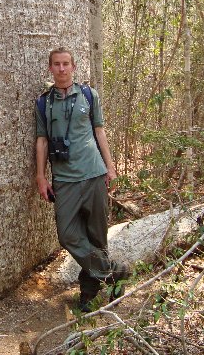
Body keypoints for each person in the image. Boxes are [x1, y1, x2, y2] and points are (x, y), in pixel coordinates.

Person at [35, 47, 129, 312]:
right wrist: (41, 176)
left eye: (66, 64)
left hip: (94, 173)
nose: (62, 69)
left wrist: (110, 167)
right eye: (57, 64)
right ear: (50, 68)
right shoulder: (44, 102)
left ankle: (88, 294)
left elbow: (99, 132)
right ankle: (116, 272)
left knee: (97, 237)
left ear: (73, 67)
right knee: (67, 235)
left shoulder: (89, 95)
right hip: (64, 179)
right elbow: (41, 141)